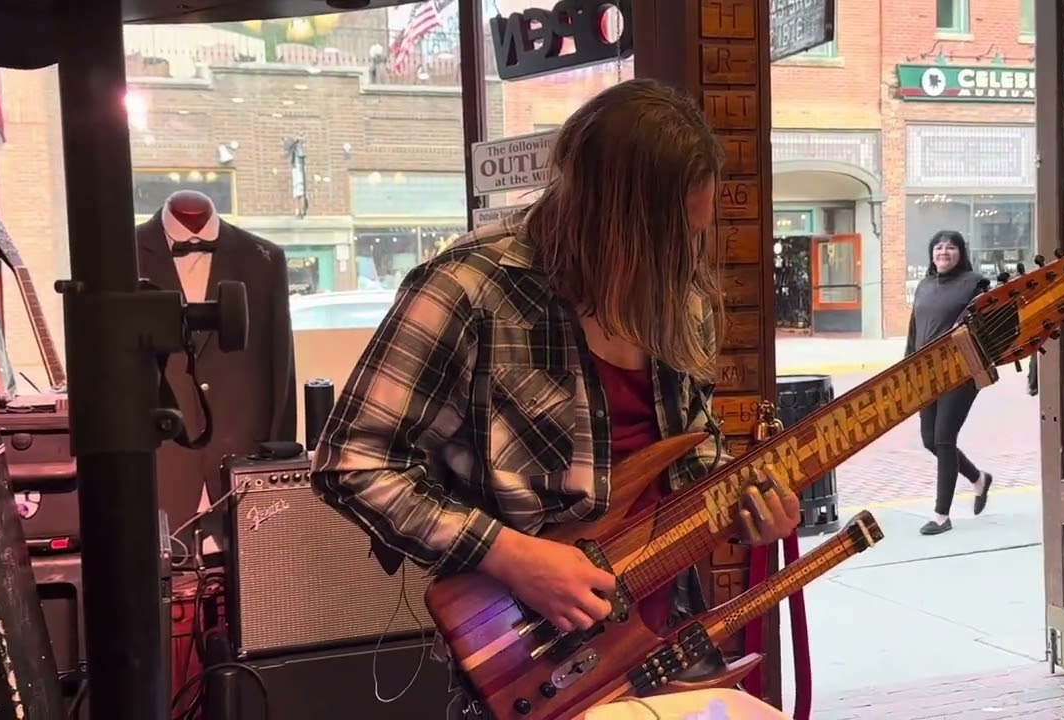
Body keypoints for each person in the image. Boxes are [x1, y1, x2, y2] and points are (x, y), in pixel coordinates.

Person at [309, 78, 800, 712]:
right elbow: (351, 461)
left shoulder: (680, 298)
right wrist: (512, 556)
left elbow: (691, 453)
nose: (686, 256)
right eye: (672, 236)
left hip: (663, 630)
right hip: (530, 651)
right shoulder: (467, 290)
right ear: (612, 218)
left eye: (694, 233)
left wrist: (754, 507)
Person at [905, 230, 994, 535]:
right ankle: (979, 478)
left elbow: (989, 322)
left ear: (961, 252)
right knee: (930, 439)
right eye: (938, 247)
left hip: (961, 371)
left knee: (944, 437)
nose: (944, 252)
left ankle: (941, 515)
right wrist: (906, 369)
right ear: (931, 253)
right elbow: (914, 331)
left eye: (951, 247)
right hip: (925, 372)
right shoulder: (925, 285)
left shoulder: (974, 283)